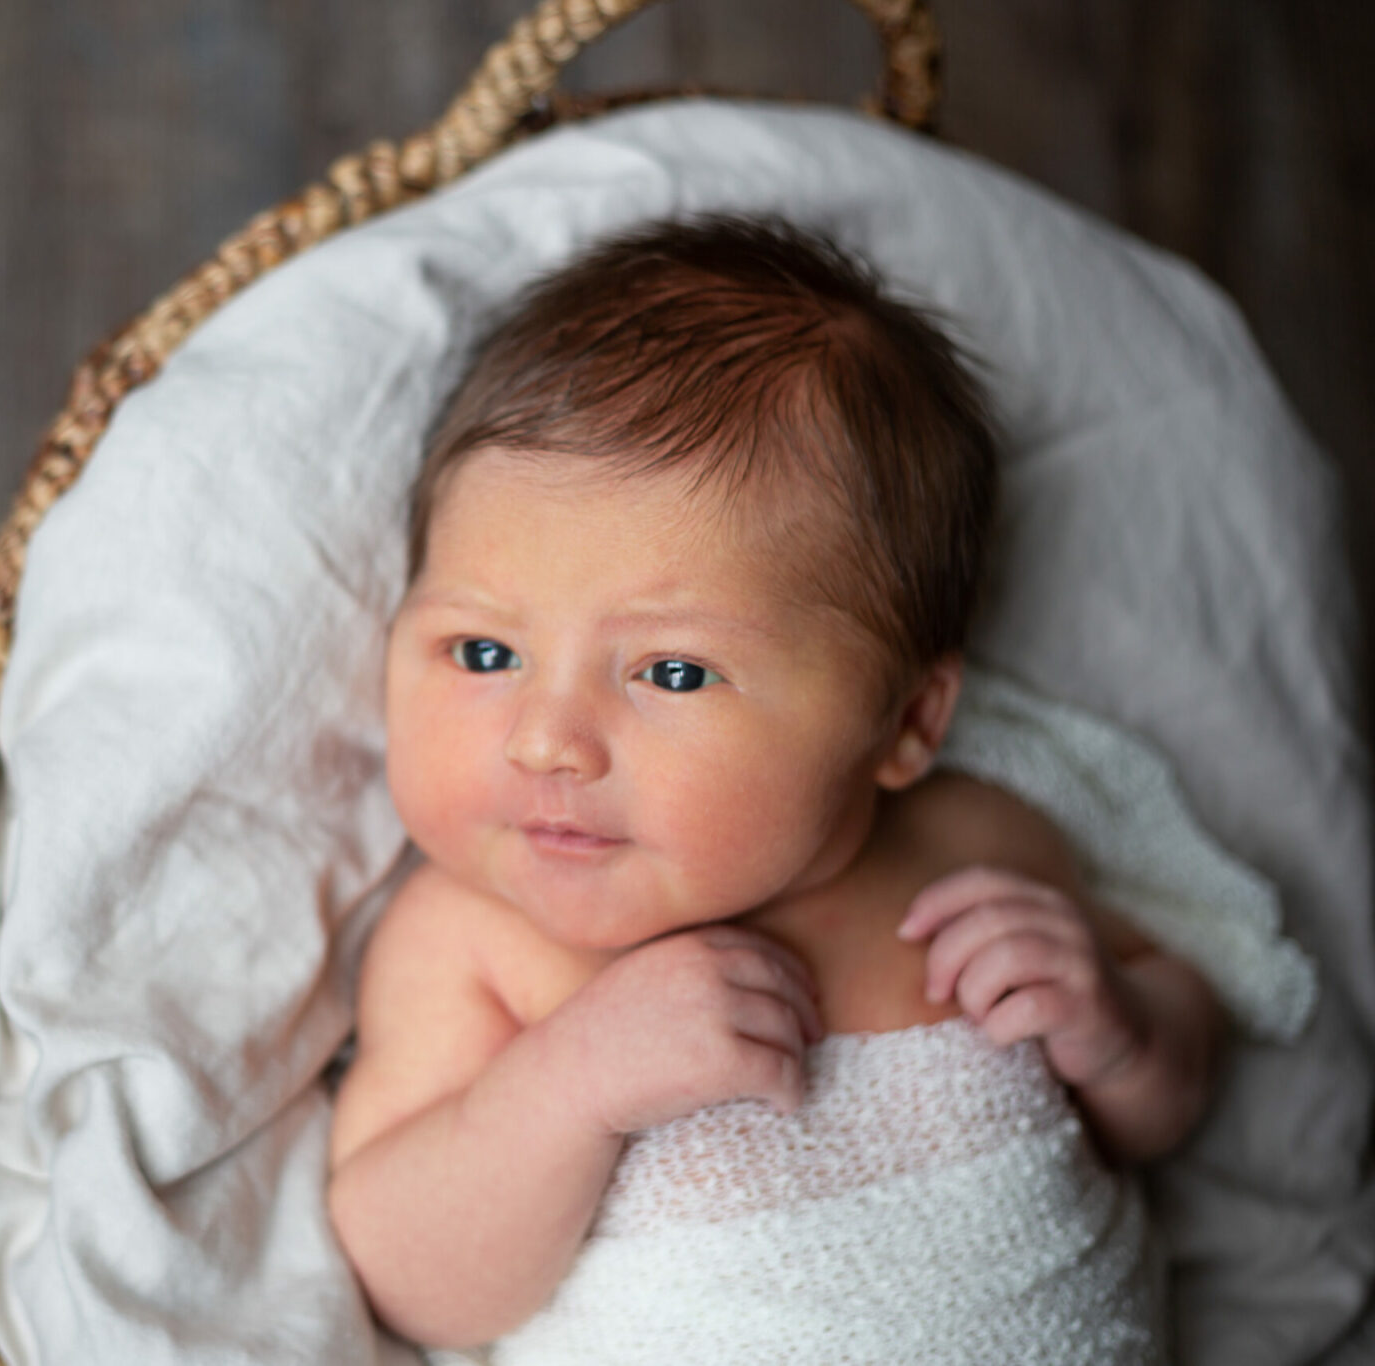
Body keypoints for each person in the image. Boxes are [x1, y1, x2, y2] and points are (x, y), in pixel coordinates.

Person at [326, 217, 1225, 1363]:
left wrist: (1122, 1033)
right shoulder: (473, 939)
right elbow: (410, 1282)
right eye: (484, 653)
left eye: (673, 671)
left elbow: (1169, 1103)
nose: (546, 742)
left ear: (903, 724)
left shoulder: (970, 850)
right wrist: (565, 1088)